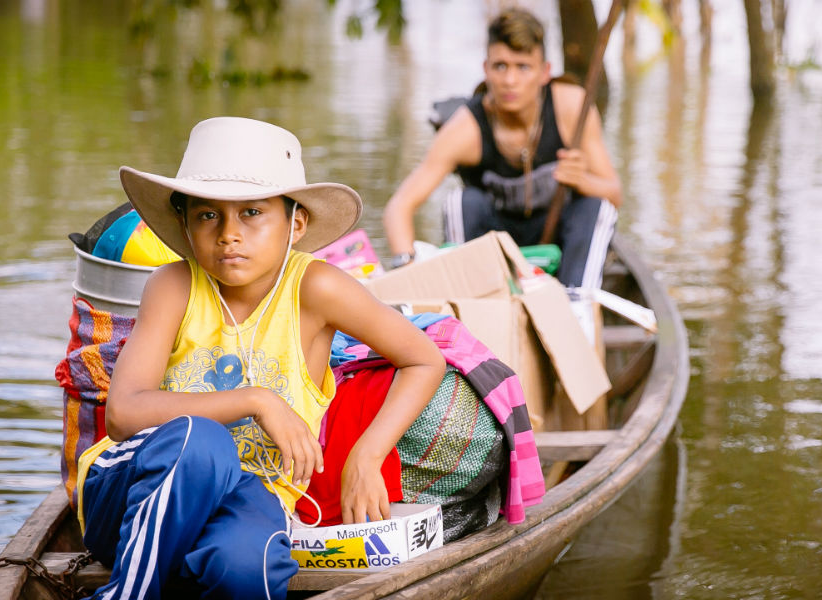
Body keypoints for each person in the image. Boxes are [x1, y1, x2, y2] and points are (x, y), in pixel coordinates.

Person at [74, 117, 446, 599]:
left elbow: (423, 359)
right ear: (185, 223)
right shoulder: (173, 286)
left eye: (251, 212)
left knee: (248, 564)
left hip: (249, 498)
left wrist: (367, 456)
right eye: (208, 215)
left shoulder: (316, 288)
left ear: (295, 222)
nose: (229, 234)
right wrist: (257, 399)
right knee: (200, 441)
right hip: (129, 496)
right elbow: (123, 414)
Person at [382, 7, 622, 289]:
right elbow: (399, 207)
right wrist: (406, 265)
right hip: (493, 248)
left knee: (595, 209)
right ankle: (470, 303)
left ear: (544, 72)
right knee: (461, 203)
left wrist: (582, 180)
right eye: (500, 66)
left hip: (559, 243)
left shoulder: (571, 107)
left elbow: (613, 195)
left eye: (522, 67)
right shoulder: (465, 129)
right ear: (486, 69)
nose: (510, 81)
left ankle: (577, 305)